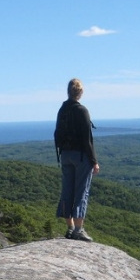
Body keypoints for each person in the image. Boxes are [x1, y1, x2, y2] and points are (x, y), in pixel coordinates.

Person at [54, 78, 100, 242]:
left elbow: (57, 133)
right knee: (81, 192)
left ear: (68, 91)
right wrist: (94, 161)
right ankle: (79, 230)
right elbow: (88, 139)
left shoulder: (62, 110)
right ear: (80, 92)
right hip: (80, 156)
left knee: (67, 190)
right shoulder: (82, 111)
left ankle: (70, 227)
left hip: (65, 155)